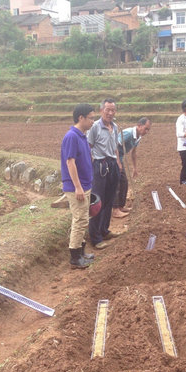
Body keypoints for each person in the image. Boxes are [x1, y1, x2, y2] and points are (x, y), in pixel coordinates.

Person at [60, 104, 96, 269]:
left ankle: (81, 252)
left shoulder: (82, 136)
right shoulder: (71, 137)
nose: (93, 121)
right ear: (81, 118)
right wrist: (78, 187)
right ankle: (75, 257)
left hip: (85, 184)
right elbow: (70, 162)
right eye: (91, 118)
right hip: (77, 187)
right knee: (79, 219)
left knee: (83, 219)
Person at [87, 99, 122, 249]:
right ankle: (95, 238)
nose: (110, 113)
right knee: (98, 202)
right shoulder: (95, 127)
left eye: (113, 110)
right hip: (100, 165)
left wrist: (118, 162)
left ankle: (104, 230)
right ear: (101, 110)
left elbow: (115, 148)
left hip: (113, 165)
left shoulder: (115, 127)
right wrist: (91, 165)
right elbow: (88, 147)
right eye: (107, 109)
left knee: (109, 200)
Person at [112, 117, 152, 218]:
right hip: (113, 158)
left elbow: (133, 153)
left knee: (124, 182)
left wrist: (135, 168)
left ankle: (121, 206)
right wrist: (118, 162)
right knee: (116, 183)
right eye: (145, 129)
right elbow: (115, 146)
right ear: (139, 126)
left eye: (148, 130)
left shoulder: (138, 137)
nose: (146, 132)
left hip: (120, 158)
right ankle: (115, 210)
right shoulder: (128, 133)